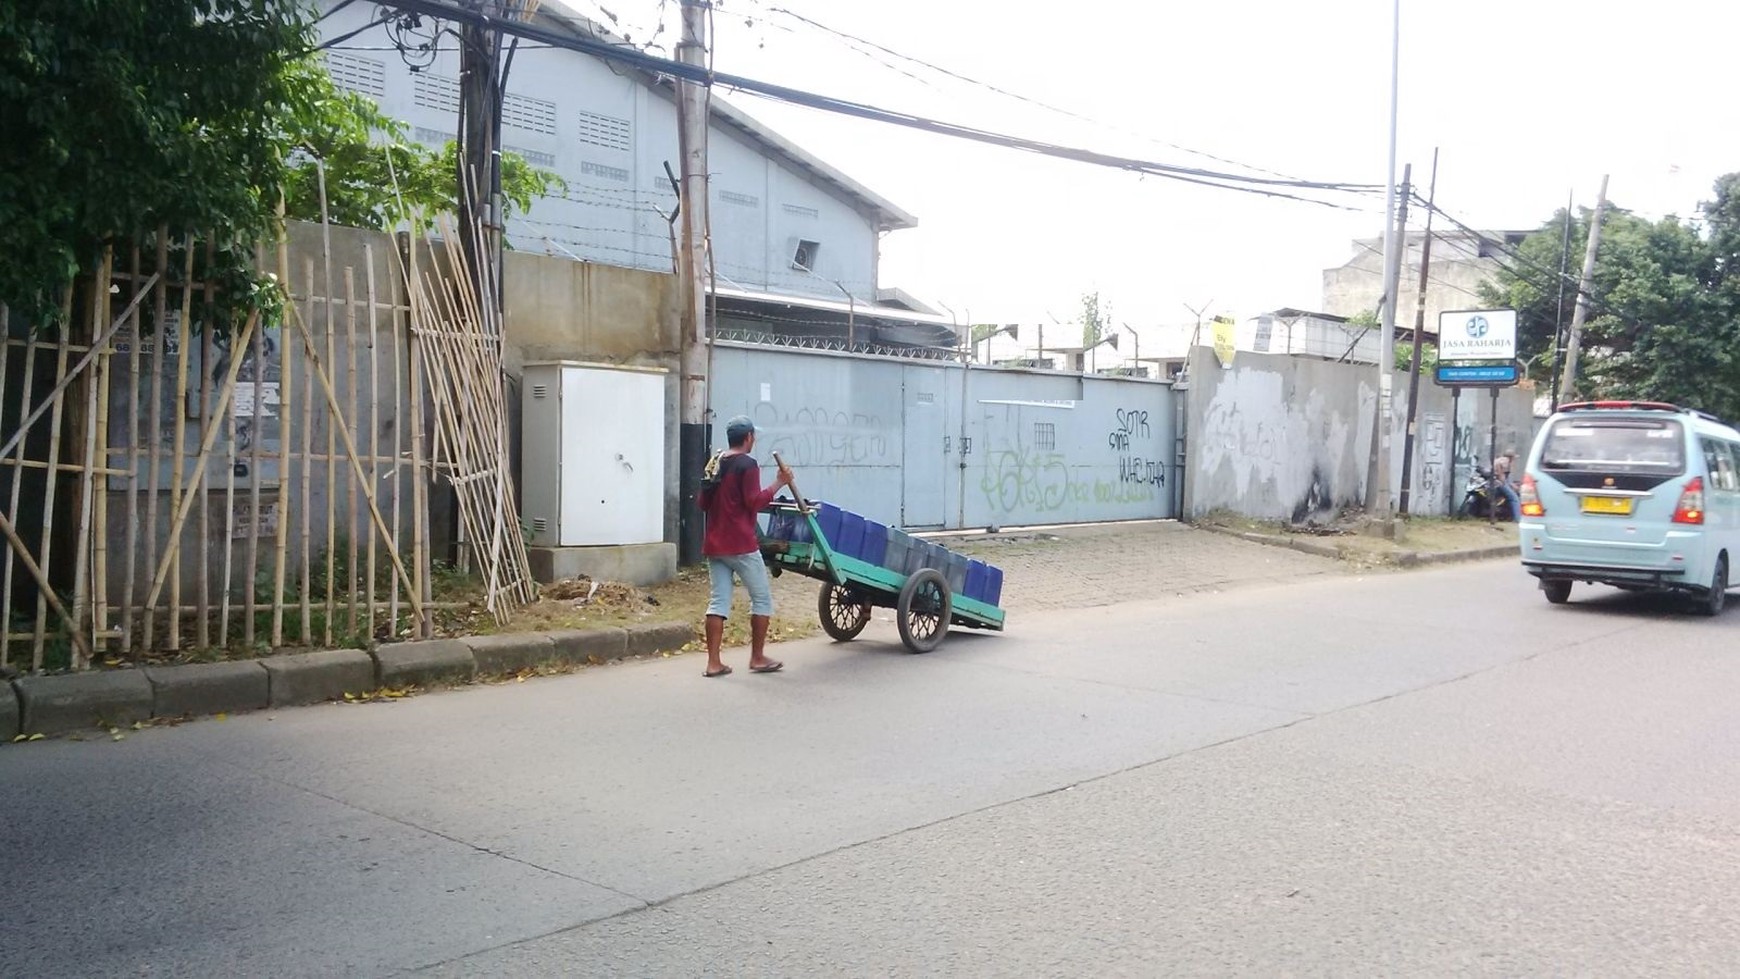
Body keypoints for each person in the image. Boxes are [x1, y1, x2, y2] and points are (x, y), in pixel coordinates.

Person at [696, 415, 792, 678]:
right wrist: (779, 483)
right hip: (740, 543)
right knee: (761, 598)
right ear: (749, 437)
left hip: (715, 544)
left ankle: (713, 663)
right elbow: (754, 502)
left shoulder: (716, 462)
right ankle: (757, 657)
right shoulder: (747, 464)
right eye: (754, 436)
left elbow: (703, 504)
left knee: (718, 601)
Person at [1492, 449, 1522, 521]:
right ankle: (1518, 519)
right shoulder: (1506, 462)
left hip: (1493, 482)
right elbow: (1502, 477)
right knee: (1514, 499)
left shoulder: (1498, 460)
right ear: (1511, 457)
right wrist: (1511, 486)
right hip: (1499, 483)